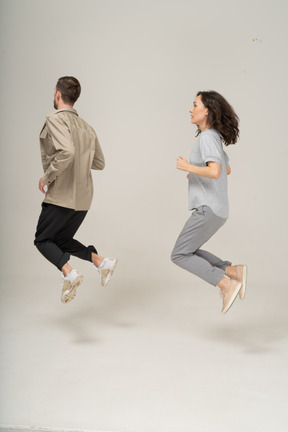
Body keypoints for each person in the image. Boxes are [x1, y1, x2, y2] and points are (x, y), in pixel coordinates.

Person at [34, 76, 117, 304]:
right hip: (83, 199)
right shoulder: (87, 127)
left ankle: (69, 273)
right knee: (61, 239)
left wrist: (47, 177)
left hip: (62, 195)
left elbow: (67, 152)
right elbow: (99, 162)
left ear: (58, 94)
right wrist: (81, 157)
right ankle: (102, 262)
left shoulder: (54, 119)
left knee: (42, 240)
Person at [171, 91, 247, 314]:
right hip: (218, 209)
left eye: (195, 105)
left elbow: (215, 171)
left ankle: (226, 283)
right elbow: (226, 169)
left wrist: (188, 168)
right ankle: (233, 270)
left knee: (179, 254)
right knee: (189, 250)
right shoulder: (212, 137)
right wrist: (197, 173)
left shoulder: (207, 138)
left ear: (207, 111)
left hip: (208, 208)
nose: (190, 109)